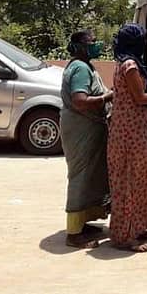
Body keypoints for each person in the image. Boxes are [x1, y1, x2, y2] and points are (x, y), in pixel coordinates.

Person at [107, 23, 147, 252]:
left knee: (143, 178)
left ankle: (138, 227)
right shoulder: (130, 65)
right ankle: (125, 236)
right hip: (129, 135)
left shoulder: (125, 63)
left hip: (134, 131)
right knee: (130, 183)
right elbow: (139, 97)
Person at [60, 30, 114, 249]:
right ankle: (74, 233)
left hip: (87, 126)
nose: (96, 45)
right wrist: (107, 97)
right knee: (81, 175)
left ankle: (84, 221)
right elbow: (80, 100)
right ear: (81, 46)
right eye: (92, 42)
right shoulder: (80, 68)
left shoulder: (82, 65)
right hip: (81, 127)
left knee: (92, 175)